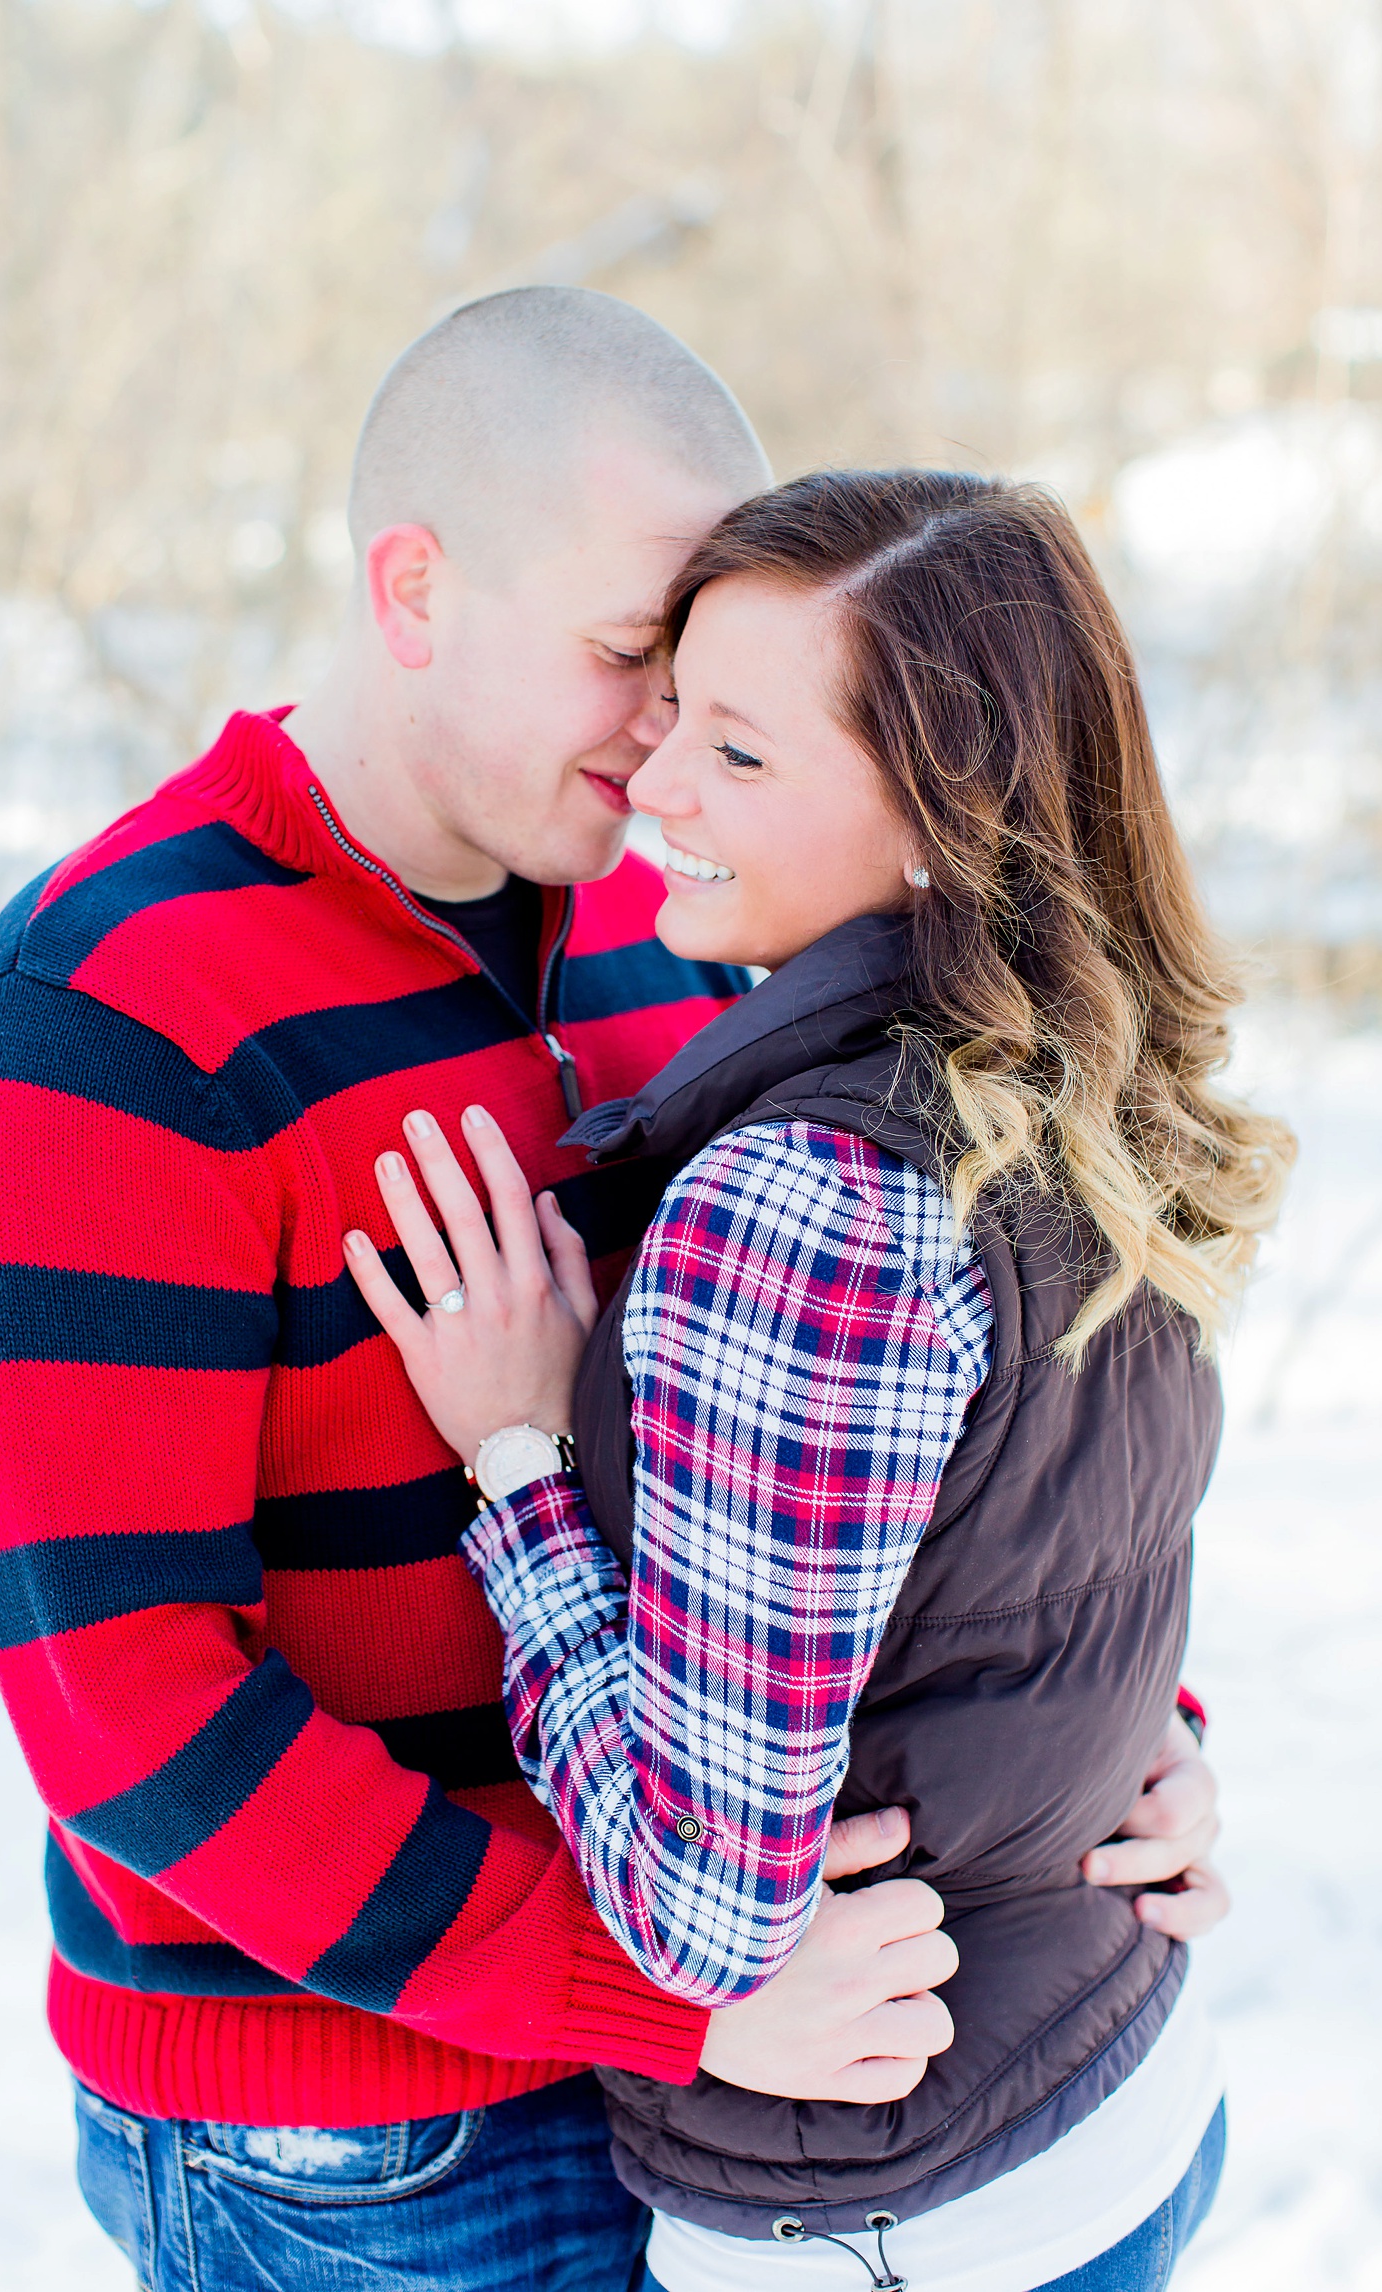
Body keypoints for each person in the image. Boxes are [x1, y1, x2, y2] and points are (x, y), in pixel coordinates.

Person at [0, 294, 1222, 2292]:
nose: (661, 738)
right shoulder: (89, 1038)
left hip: (745, 2075)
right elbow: (142, 1731)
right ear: (411, 590)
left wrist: (1105, 1742)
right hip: (370, 2147)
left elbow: (891, 1442)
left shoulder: (676, 916)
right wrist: (654, 1993)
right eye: (624, 659)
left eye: (699, 675)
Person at [343, 469, 1289, 2291]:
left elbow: (708, 1914)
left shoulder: (810, 1205)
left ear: (944, 817)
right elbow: (1022, 1552)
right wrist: (1131, 1749)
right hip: (1115, 2087)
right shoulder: (1084, 1076)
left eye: (742, 754)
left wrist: (522, 1460)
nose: (656, 782)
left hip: (897, 2210)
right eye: (671, 703)